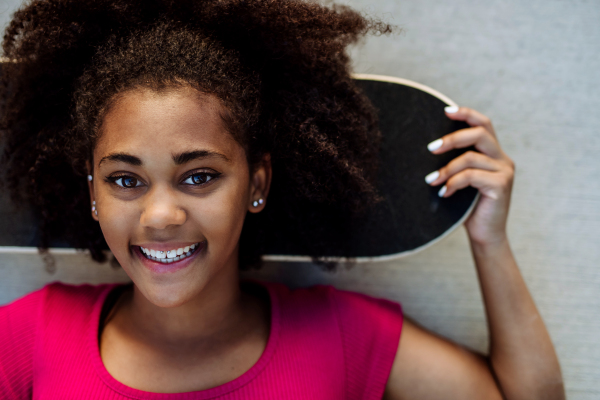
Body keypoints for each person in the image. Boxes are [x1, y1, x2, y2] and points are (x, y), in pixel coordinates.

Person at [0, 0, 565, 398]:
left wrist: (489, 239)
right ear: (91, 193)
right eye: (125, 180)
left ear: (258, 184)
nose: (161, 215)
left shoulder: (341, 336)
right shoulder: (30, 337)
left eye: (198, 176)